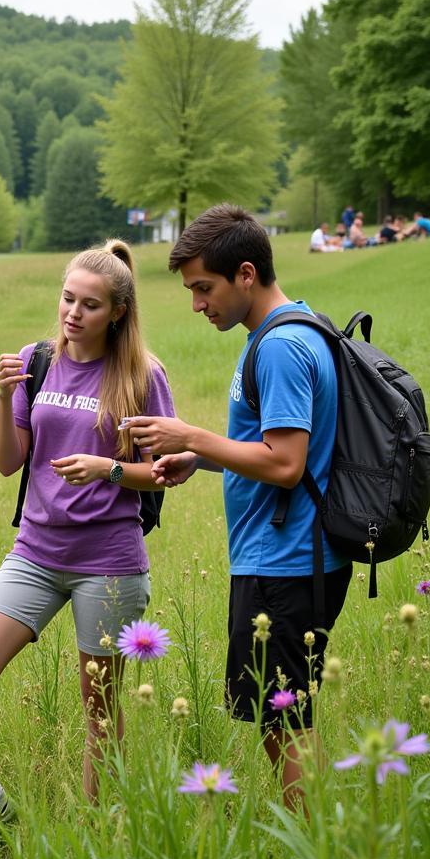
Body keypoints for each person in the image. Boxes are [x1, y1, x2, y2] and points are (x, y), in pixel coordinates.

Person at [0, 239, 174, 859]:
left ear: (118, 312)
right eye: (67, 299)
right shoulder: (36, 362)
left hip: (109, 560)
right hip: (35, 554)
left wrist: (107, 469)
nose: (72, 313)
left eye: (89, 305)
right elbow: (5, 461)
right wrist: (0, 397)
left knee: (99, 710)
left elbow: (169, 470)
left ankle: (99, 837)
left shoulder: (141, 376)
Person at [130, 203, 351, 811]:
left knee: (287, 721)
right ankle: (312, 834)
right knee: (283, 718)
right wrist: (201, 459)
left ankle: (314, 849)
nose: (198, 304)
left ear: (246, 274)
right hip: (290, 554)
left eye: (204, 288)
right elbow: (271, 447)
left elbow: (286, 463)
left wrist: (191, 437)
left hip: (285, 560)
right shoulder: (294, 328)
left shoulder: (279, 348)